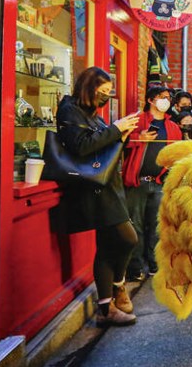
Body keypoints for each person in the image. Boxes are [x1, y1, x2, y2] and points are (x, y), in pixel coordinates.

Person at [54, 66, 141, 327]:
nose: (105, 97)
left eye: (108, 93)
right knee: (128, 238)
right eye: (102, 92)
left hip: (108, 187)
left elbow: (104, 148)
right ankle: (118, 286)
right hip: (94, 191)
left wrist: (121, 136)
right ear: (89, 88)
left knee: (106, 246)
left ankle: (106, 308)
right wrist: (115, 129)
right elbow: (81, 146)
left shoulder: (95, 116)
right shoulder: (70, 110)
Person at [122, 85, 182, 280]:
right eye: (163, 97)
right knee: (135, 226)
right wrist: (138, 138)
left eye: (168, 98)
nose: (166, 101)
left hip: (158, 183)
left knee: (157, 226)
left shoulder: (172, 127)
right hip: (136, 182)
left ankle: (156, 265)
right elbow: (117, 142)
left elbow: (176, 156)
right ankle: (135, 268)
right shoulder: (136, 120)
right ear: (151, 100)